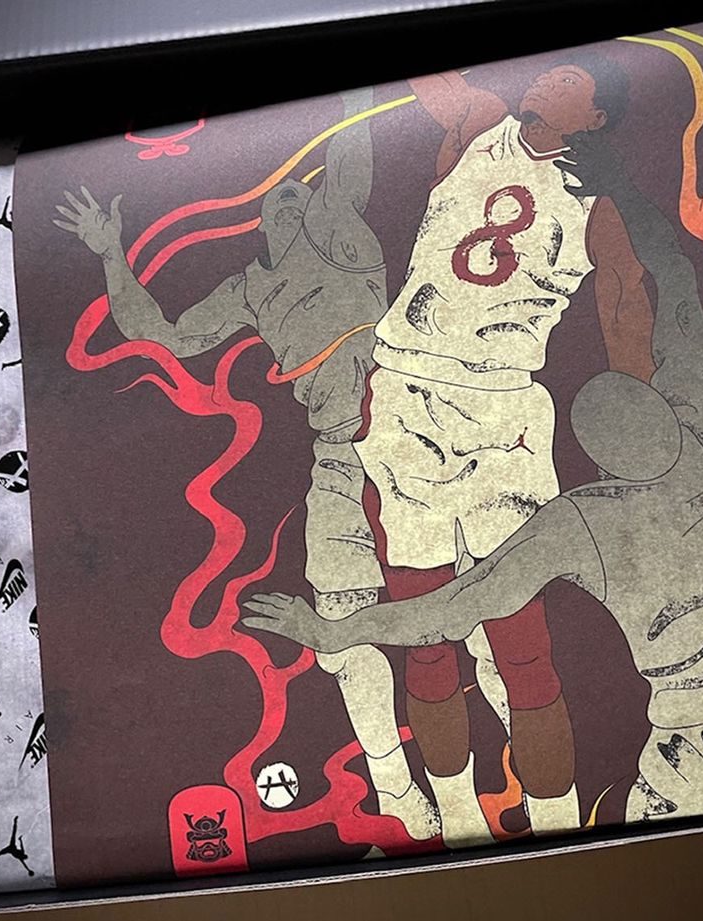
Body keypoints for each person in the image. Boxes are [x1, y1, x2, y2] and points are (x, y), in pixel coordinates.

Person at [242, 145, 703, 822]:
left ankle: (501, 814)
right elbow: (678, 291)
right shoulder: (702, 433)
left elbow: (446, 611)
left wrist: (335, 632)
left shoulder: (585, 521)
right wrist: (625, 193)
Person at [54, 88, 439, 840]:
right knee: (342, 621)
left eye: (300, 195)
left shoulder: (342, 229)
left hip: (416, 431)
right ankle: (396, 787)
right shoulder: (250, 290)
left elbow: (351, 143)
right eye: (277, 203)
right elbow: (159, 333)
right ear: (261, 226)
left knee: (475, 597)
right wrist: (109, 254)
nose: (290, 202)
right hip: (338, 455)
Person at [347, 56, 653, 846]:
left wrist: (637, 425)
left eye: (570, 81)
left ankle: (559, 833)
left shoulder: (599, 203)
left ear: (595, 118)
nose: (548, 79)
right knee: (424, 641)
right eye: (552, 70)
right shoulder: (480, 121)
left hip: (504, 409)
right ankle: (456, 826)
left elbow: (625, 300)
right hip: (410, 390)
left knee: (524, 651)